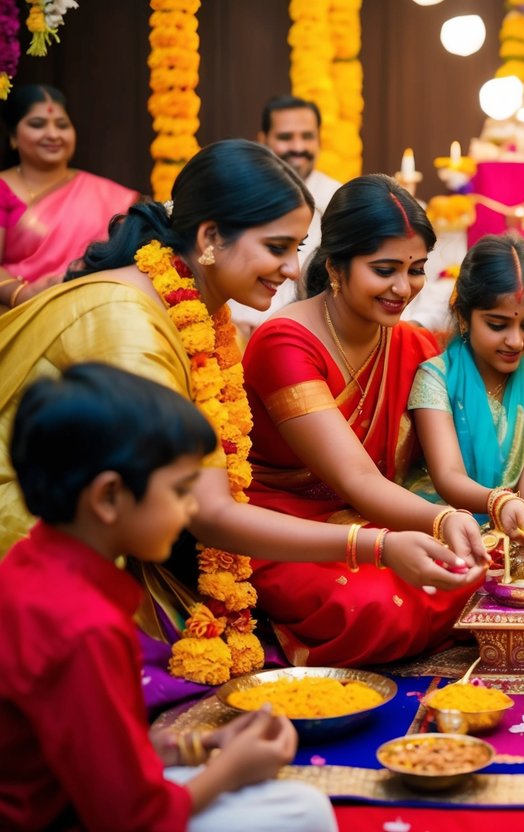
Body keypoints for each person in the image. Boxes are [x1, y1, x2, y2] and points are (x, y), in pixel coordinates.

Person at [0, 140, 483, 689]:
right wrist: (377, 544)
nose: (294, 268)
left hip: (149, 521)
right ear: (210, 239)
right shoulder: (129, 324)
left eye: (298, 247)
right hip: (38, 536)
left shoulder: (208, 312)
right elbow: (209, 513)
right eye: (277, 247)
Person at [0, 363, 338, 832]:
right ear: (108, 497)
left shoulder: (28, 562)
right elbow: (133, 818)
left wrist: (201, 747)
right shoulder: (85, 626)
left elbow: (96, 752)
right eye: (181, 491)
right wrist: (230, 771)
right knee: (303, 810)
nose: (192, 508)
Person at [241, 174, 485, 667]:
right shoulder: (285, 343)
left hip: (379, 515)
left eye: (416, 269)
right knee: (374, 609)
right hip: (288, 525)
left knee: (485, 572)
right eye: (385, 269)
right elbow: (355, 477)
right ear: (335, 266)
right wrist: (443, 518)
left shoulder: (410, 343)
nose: (404, 288)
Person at [409, 233, 524, 540]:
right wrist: (499, 502)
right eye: (497, 325)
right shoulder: (435, 377)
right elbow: (447, 476)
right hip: (441, 523)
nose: (515, 340)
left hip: (515, 523)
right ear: (463, 317)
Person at [0, 84, 138, 309]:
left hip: (93, 311)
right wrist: (22, 294)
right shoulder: (3, 188)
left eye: (62, 125)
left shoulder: (107, 195)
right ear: (13, 136)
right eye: (38, 124)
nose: (53, 134)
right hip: (17, 316)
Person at [229, 96, 344, 338]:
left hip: (308, 338)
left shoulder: (339, 200)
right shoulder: (237, 195)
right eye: (285, 137)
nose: (298, 147)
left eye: (307, 136)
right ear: (263, 140)